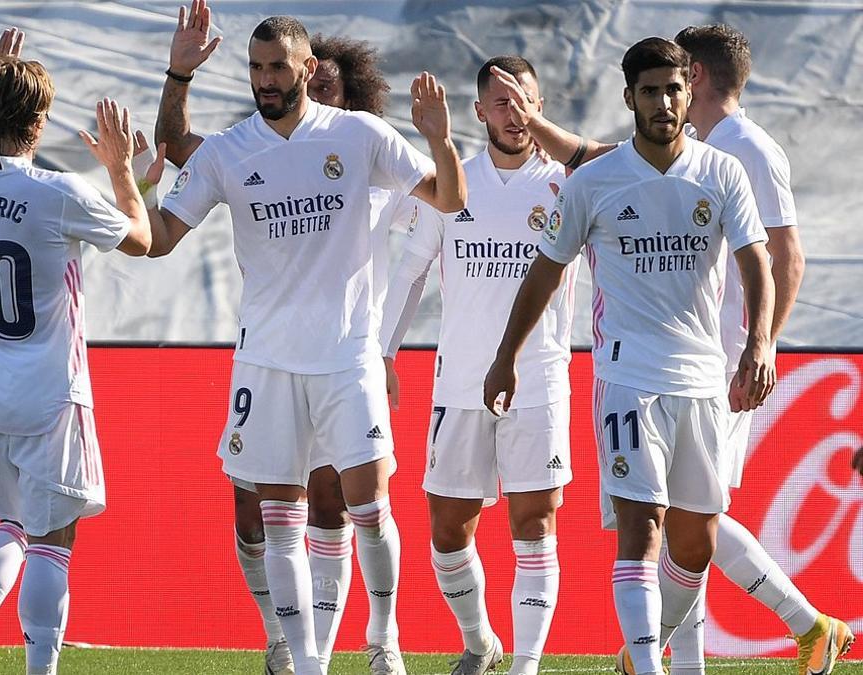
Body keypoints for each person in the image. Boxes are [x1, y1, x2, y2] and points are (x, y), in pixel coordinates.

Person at [486, 24, 852, 675]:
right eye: (650, 91)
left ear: (690, 91)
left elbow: (760, 262)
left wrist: (760, 346)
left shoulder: (726, 169)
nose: (663, 102)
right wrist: (505, 354)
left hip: (705, 380)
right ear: (630, 97)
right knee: (641, 527)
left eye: (673, 89)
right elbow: (545, 270)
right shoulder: (598, 181)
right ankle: (656, 667)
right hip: (628, 376)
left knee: (697, 541)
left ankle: (665, 651)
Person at [151, 12, 466, 674]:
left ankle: (384, 639)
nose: (265, 81)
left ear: (309, 72)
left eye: (277, 69)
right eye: (255, 69)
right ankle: (299, 656)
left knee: (365, 507)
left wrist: (440, 140)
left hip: (349, 357)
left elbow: (444, 202)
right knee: (272, 517)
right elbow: (160, 226)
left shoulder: (363, 143)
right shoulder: (234, 150)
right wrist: (177, 76)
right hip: (266, 361)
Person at [0, 29, 154, 675]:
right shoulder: (59, 193)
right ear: (38, 122)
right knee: (53, 539)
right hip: (51, 391)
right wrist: (119, 167)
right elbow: (141, 237)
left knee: (8, 522)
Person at [380, 56, 573, 675]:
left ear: (540, 107)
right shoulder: (454, 183)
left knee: (533, 522)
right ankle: (481, 642)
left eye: (525, 101)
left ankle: (525, 666)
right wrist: (383, 352)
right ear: (479, 111)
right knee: (446, 530)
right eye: (502, 103)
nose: (515, 114)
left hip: (539, 379)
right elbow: (409, 272)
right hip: (460, 381)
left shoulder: (571, 184)